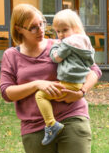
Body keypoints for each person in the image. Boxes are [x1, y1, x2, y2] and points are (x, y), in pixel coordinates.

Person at [0, 3, 100, 153]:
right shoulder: (11, 56)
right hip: (35, 128)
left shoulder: (61, 45)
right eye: (33, 27)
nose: (41, 30)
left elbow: (93, 70)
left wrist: (81, 92)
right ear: (18, 29)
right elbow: (7, 92)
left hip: (71, 117)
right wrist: (37, 85)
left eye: (42, 23)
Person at [36, 9, 95, 145]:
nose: (61, 35)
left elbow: (56, 58)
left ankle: (51, 124)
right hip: (78, 82)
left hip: (70, 82)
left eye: (65, 30)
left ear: (75, 28)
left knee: (40, 95)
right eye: (58, 31)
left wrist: (54, 48)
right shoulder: (85, 41)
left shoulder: (68, 43)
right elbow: (91, 62)